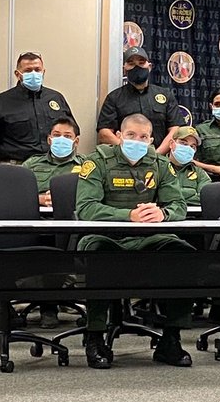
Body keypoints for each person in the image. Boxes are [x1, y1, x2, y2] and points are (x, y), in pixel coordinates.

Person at [75, 114, 193, 369]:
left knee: (183, 254)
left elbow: (179, 205)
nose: (137, 142)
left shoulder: (160, 164)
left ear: (151, 141)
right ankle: (95, 337)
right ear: (119, 136)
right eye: (131, 136)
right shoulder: (97, 162)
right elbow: (85, 208)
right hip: (106, 237)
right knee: (98, 255)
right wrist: (128, 216)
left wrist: (163, 213)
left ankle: (171, 339)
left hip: (149, 238)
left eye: (143, 138)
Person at [0, 52, 74, 165]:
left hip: (53, 165)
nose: (34, 73)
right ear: (18, 74)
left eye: (37, 69)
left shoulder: (56, 98)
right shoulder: (2, 101)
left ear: (43, 72)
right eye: (28, 70)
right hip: (16, 166)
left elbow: (72, 133)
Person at [96, 46, 184, 152]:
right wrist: (128, 151)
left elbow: (175, 129)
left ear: (149, 67)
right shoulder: (114, 98)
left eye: (141, 63)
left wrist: (157, 154)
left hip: (158, 161)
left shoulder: (166, 95)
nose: (136, 67)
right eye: (131, 64)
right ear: (124, 69)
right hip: (124, 162)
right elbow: (104, 133)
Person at [22, 116, 86, 207]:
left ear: (76, 142)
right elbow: (17, 192)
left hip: (71, 216)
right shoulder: (31, 164)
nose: (61, 139)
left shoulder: (86, 164)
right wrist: (38, 198)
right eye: (56, 135)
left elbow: (93, 195)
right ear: (49, 140)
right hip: (37, 216)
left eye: (67, 136)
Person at [166, 126, 210, 206]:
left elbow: (206, 198)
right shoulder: (158, 168)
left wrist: (170, 195)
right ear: (172, 144)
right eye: (183, 143)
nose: (188, 148)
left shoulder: (200, 173)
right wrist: (192, 192)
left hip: (194, 216)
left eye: (192, 146)